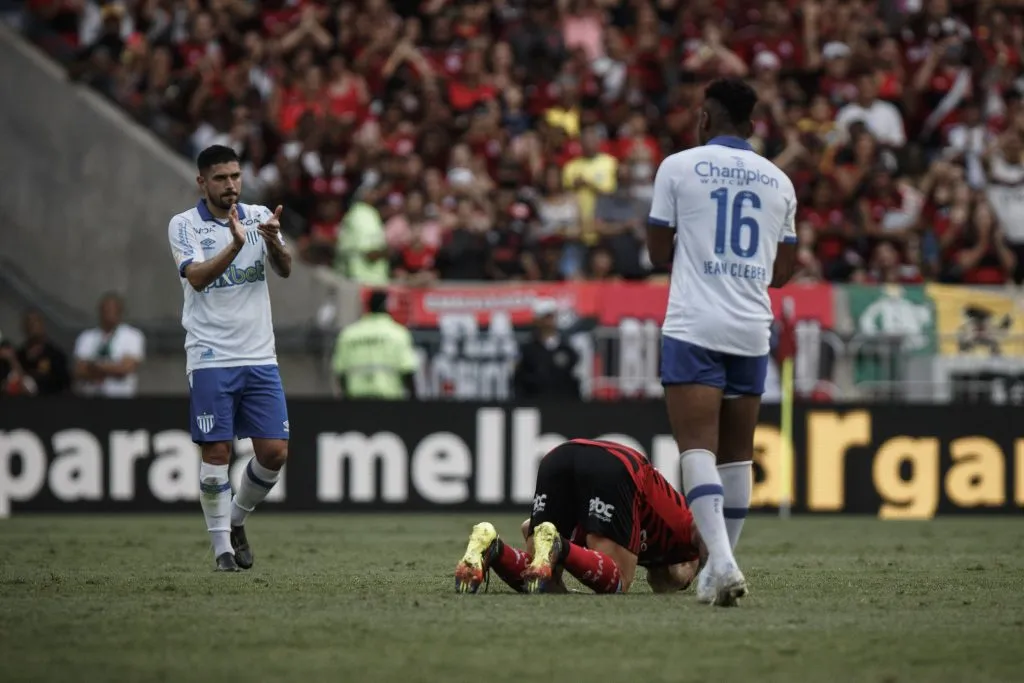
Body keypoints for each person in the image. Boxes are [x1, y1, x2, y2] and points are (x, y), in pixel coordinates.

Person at [645, 79, 799, 606]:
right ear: (752, 124)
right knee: (737, 458)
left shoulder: (678, 166)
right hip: (752, 327)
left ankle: (723, 564)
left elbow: (656, 251)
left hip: (695, 324)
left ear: (706, 120)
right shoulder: (779, 181)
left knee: (697, 449)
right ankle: (718, 569)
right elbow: (784, 272)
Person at [167, 144, 293, 572]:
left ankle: (237, 520)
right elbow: (198, 278)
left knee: (275, 452)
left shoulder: (259, 217)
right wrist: (236, 247)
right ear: (202, 182)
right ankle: (222, 550)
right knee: (217, 452)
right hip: (209, 355)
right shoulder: (184, 226)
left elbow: (286, 269)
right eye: (221, 178)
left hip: (260, 354)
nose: (231, 185)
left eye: (236, 176)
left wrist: (274, 242)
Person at [454, 438, 704, 595]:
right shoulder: (685, 530)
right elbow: (705, 531)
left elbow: (527, 526)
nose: (686, 583)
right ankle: (559, 545)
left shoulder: (650, 545)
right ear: (689, 563)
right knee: (620, 581)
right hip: (617, 465)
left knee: (543, 579)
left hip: (560, 456)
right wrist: (713, 570)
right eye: (688, 582)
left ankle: (492, 547)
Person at [331, 289, 419, 400]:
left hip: (355, 402)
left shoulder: (348, 334)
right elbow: (408, 371)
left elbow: (340, 372)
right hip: (389, 403)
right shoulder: (398, 334)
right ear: (387, 307)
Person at [72, 293, 146, 398]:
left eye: (113, 309)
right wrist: (113, 367)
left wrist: (93, 366)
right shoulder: (86, 337)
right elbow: (79, 371)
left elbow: (125, 369)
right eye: (106, 309)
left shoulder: (132, 336)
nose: (109, 313)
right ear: (100, 311)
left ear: (120, 311)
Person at [512, 299, 581, 400]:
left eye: (551, 316)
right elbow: (519, 379)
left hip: (562, 404)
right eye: (546, 317)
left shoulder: (566, 349)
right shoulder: (528, 350)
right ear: (537, 320)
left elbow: (572, 377)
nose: (550, 321)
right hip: (535, 402)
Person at [17, 310, 71, 395]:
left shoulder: (55, 355)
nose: (33, 326)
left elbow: (64, 383)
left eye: (36, 322)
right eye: (29, 323)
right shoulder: (19, 355)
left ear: (42, 325)